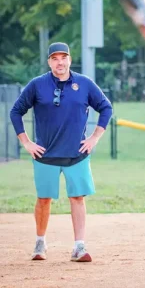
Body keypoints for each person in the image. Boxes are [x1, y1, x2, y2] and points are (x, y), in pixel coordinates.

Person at [9, 42, 113, 262]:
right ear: (49, 62)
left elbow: (106, 107)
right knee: (44, 199)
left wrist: (94, 138)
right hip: (45, 155)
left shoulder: (84, 84)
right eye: (55, 58)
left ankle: (79, 247)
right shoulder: (37, 85)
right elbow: (16, 111)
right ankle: (40, 242)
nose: (60, 62)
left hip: (76, 154)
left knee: (77, 197)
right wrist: (26, 142)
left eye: (63, 57)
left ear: (70, 60)